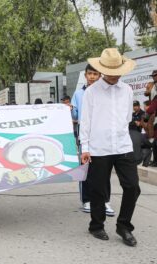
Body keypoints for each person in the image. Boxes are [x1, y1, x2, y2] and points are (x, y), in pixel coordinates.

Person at [80, 48, 141, 246]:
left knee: (132, 187)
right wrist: (85, 148)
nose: (115, 75)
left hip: (123, 146)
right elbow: (85, 122)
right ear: (103, 70)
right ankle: (96, 226)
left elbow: (127, 119)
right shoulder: (91, 92)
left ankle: (124, 226)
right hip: (99, 147)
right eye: (111, 71)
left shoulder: (127, 90)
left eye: (118, 71)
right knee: (98, 190)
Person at [71, 64, 114, 216]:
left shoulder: (106, 92)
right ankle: (87, 200)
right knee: (85, 168)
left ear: (100, 75)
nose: (92, 77)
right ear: (85, 75)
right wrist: (69, 110)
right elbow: (75, 116)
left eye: (95, 74)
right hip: (84, 134)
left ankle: (105, 200)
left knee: (105, 169)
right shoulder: (78, 94)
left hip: (103, 135)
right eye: (90, 74)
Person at [129, 101, 145, 165]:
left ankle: (138, 159)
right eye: (133, 106)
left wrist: (138, 123)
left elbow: (142, 124)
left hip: (139, 133)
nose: (134, 107)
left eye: (136, 106)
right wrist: (134, 122)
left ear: (139, 106)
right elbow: (129, 123)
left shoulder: (143, 113)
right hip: (131, 133)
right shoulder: (132, 114)